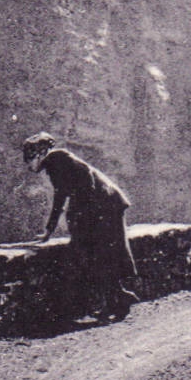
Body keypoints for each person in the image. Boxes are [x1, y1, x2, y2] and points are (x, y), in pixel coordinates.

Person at [22, 132, 139, 321]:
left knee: (97, 252)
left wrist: (71, 221)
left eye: (30, 158)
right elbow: (62, 196)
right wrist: (50, 230)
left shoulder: (58, 159)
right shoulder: (56, 162)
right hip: (106, 204)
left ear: (40, 153)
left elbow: (85, 186)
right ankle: (118, 300)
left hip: (105, 206)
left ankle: (117, 300)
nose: (29, 164)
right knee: (99, 253)